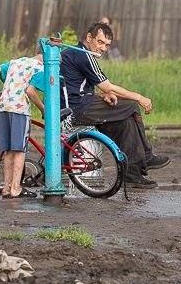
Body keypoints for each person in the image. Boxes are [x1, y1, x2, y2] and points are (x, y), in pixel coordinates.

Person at [61, 21, 169, 189]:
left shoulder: (76, 53)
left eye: (107, 45)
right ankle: (147, 156)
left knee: (125, 123)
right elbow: (107, 86)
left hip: (78, 104)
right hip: (77, 109)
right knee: (131, 105)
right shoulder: (84, 55)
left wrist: (102, 95)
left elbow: (77, 86)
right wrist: (139, 97)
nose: (103, 48)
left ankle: (132, 174)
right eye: (100, 42)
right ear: (89, 38)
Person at [0, 52, 45, 199]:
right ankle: (16, 188)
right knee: (19, 149)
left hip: (3, 107)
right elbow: (30, 91)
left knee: (8, 149)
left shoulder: (16, 62)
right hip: (19, 109)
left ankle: (6, 188)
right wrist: (43, 109)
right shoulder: (40, 67)